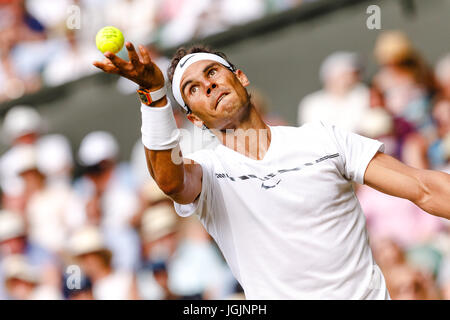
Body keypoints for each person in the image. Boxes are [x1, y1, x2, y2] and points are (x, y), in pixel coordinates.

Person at [93, 42, 450, 299]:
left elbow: (424, 187)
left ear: (241, 77)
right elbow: (169, 181)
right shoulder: (207, 173)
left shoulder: (322, 138)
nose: (209, 85)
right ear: (193, 119)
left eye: (213, 72)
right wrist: (154, 95)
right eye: (193, 89)